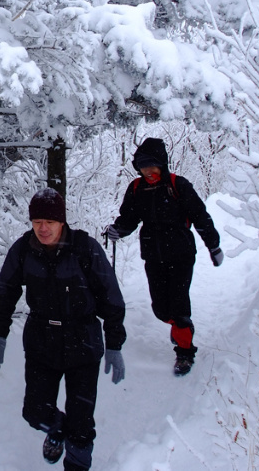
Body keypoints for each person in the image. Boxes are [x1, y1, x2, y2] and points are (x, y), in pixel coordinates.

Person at [0, 187, 126, 471]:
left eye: (49, 222)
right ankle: (57, 429)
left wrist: (114, 344)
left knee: (82, 420)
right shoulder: (23, 250)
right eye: (37, 222)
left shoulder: (84, 248)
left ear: (61, 222)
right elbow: (5, 291)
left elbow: (110, 296)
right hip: (42, 342)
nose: (42, 228)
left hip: (83, 341)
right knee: (34, 412)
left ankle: (76, 459)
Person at [103, 137, 223, 377]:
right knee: (160, 309)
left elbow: (200, 217)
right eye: (143, 166)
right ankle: (180, 327)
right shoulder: (137, 188)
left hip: (181, 255)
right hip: (153, 255)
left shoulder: (178, 185)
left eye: (152, 166)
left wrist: (214, 246)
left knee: (179, 306)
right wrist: (118, 230)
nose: (148, 171)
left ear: (162, 164)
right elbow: (129, 218)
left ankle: (184, 352)